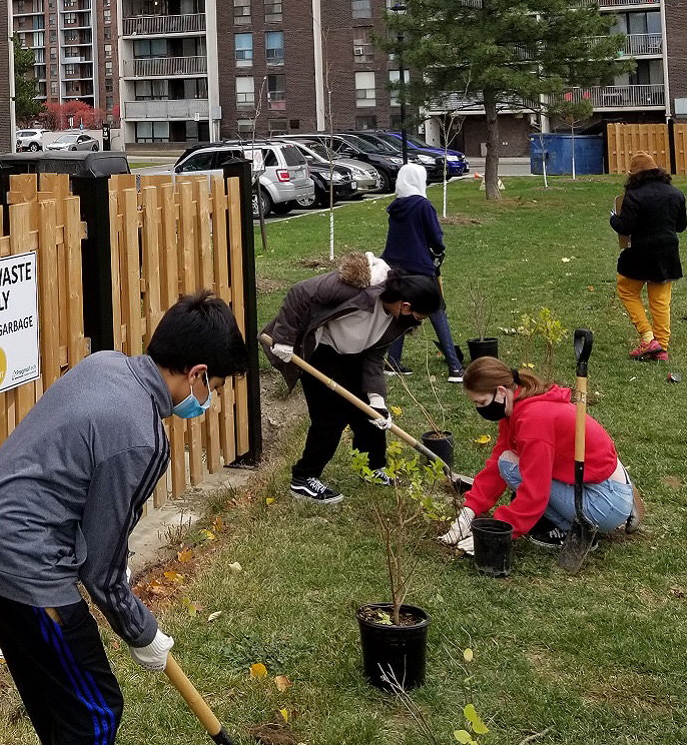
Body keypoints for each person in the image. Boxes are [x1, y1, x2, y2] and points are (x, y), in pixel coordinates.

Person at [0, 291, 247, 745]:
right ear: (197, 374)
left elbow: (85, 495)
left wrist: (115, 556)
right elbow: (99, 573)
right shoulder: (143, 438)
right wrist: (143, 633)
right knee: (95, 710)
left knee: (58, 699)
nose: (210, 401)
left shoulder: (106, 364)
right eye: (215, 388)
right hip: (23, 557)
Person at [260, 252, 443, 504]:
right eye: (419, 318)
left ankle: (371, 467)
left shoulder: (397, 322)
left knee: (370, 412)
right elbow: (300, 292)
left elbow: (374, 357)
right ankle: (303, 478)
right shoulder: (356, 287)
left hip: (354, 354)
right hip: (320, 347)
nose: (417, 324)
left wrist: (377, 400)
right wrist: (284, 339)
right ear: (405, 306)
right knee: (331, 414)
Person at [441, 357, 641, 553]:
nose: (479, 409)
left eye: (481, 402)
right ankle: (617, 501)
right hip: (602, 481)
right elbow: (495, 466)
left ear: (501, 391)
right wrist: (469, 511)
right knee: (506, 462)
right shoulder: (519, 405)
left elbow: (535, 491)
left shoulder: (533, 420)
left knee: (511, 468)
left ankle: (578, 532)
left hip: (605, 501)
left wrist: (498, 532)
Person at [381, 163, 464, 382]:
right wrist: (438, 250)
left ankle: (392, 362)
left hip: (395, 268)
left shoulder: (396, 206)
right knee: (437, 310)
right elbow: (435, 236)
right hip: (419, 267)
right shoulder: (423, 205)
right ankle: (455, 368)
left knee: (401, 311)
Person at [609, 152, 686, 361]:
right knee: (661, 302)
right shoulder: (676, 194)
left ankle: (648, 337)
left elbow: (625, 227)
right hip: (667, 255)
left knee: (627, 289)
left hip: (639, 255)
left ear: (634, 175)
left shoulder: (633, 195)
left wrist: (613, 219)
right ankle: (662, 347)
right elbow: (681, 226)